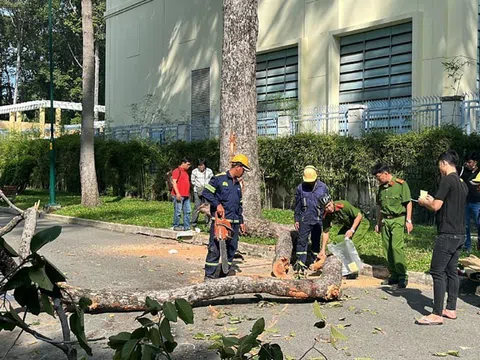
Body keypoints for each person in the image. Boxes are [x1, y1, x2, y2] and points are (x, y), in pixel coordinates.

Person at [417, 150, 468, 325]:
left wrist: (425, 202)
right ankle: (451, 309)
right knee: (452, 271)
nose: (439, 168)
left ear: (444, 163)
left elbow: (436, 206)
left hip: (446, 234)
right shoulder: (462, 183)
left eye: (439, 164)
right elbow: (448, 204)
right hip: (460, 234)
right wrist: (433, 200)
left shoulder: (447, 180)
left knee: (437, 271)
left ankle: (437, 313)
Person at [202, 154, 249, 280]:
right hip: (221, 222)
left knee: (232, 249)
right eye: (244, 169)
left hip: (234, 223)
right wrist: (217, 205)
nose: (244, 172)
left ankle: (223, 275)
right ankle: (209, 276)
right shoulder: (219, 179)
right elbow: (206, 192)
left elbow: (239, 205)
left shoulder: (238, 185)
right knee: (215, 249)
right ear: (238, 167)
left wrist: (241, 222)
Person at [372, 163, 413, 288]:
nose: (378, 180)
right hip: (385, 220)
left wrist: (409, 220)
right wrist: (378, 223)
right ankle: (393, 275)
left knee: (396, 247)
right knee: (387, 249)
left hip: (398, 219)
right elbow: (380, 207)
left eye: (379, 177)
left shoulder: (401, 184)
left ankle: (402, 276)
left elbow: (408, 203)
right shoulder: (381, 188)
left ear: (386, 173)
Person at [318, 195, 370, 278]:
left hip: (360, 223)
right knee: (337, 240)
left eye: (329, 205)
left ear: (332, 201)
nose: (329, 208)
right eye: (326, 207)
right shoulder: (326, 215)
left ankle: (353, 271)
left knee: (351, 245)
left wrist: (352, 230)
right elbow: (325, 232)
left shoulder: (342, 205)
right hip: (348, 225)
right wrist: (323, 250)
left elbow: (359, 216)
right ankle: (344, 266)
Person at [293, 165, 329, 275]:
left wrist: (326, 218)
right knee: (302, 241)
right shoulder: (300, 188)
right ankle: (300, 264)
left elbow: (328, 204)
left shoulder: (323, 187)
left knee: (316, 242)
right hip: (304, 218)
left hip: (318, 219)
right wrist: (297, 219)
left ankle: (315, 263)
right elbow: (297, 205)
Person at [458, 152, 480, 252]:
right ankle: (467, 247)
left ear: (475, 162)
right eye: (466, 162)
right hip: (466, 202)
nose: (467, 164)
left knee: (478, 224)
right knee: (465, 225)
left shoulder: (479, 172)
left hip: (477, 203)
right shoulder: (464, 172)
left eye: (469, 162)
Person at [191, 159, 214, 231]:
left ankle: (207, 223)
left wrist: (207, 187)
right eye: (199, 165)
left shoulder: (209, 171)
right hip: (197, 191)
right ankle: (193, 223)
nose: (201, 167)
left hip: (207, 191)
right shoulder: (194, 171)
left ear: (205, 165)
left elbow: (212, 180)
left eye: (202, 165)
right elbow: (192, 181)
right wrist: (199, 186)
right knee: (197, 206)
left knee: (207, 206)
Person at [170, 158, 192, 231]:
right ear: (183, 163)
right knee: (178, 211)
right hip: (179, 195)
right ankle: (176, 225)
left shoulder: (185, 172)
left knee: (187, 211)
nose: (189, 166)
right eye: (188, 164)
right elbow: (174, 182)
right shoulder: (177, 171)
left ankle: (187, 226)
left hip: (186, 195)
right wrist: (178, 194)